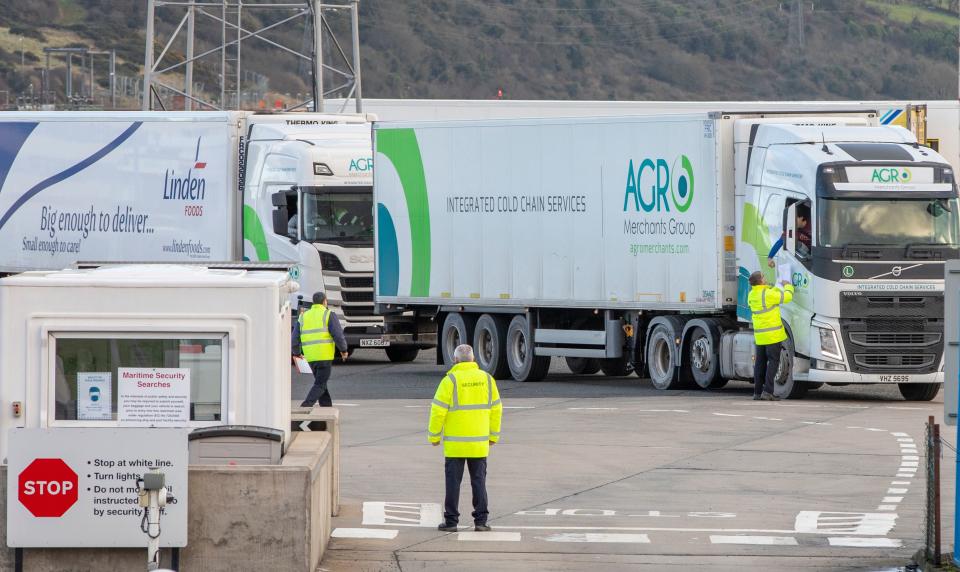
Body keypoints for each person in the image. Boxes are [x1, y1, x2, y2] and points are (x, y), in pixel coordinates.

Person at [428, 344, 503, 533]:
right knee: (479, 482)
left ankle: (451, 522)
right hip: (479, 444)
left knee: (453, 483)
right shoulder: (487, 379)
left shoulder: (450, 380)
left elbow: (438, 411)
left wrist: (434, 436)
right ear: (473, 359)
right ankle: (481, 521)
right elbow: (496, 409)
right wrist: (493, 435)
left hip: (455, 445)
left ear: (455, 360)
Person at [292, 292, 348, 407]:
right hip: (324, 356)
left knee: (321, 383)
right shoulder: (328, 314)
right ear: (324, 301)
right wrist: (343, 350)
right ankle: (306, 405)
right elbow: (338, 335)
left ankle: (326, 407)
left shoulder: (303, 316)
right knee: (320, 384)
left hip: (310, 357)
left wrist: (297, 353)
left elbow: (294, 339)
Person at [747, 271, 794, 401]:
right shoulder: (767, 294)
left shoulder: (752, 294)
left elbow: (768, 295)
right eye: (763, 276)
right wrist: (788, 286)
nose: (765, 277)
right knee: (773, 362)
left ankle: (757, 392)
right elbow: (787, 297)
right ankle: (768, 391)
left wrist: (774, 286)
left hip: (760, 336)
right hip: (772, 335)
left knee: (760, 363)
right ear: (761, 281)